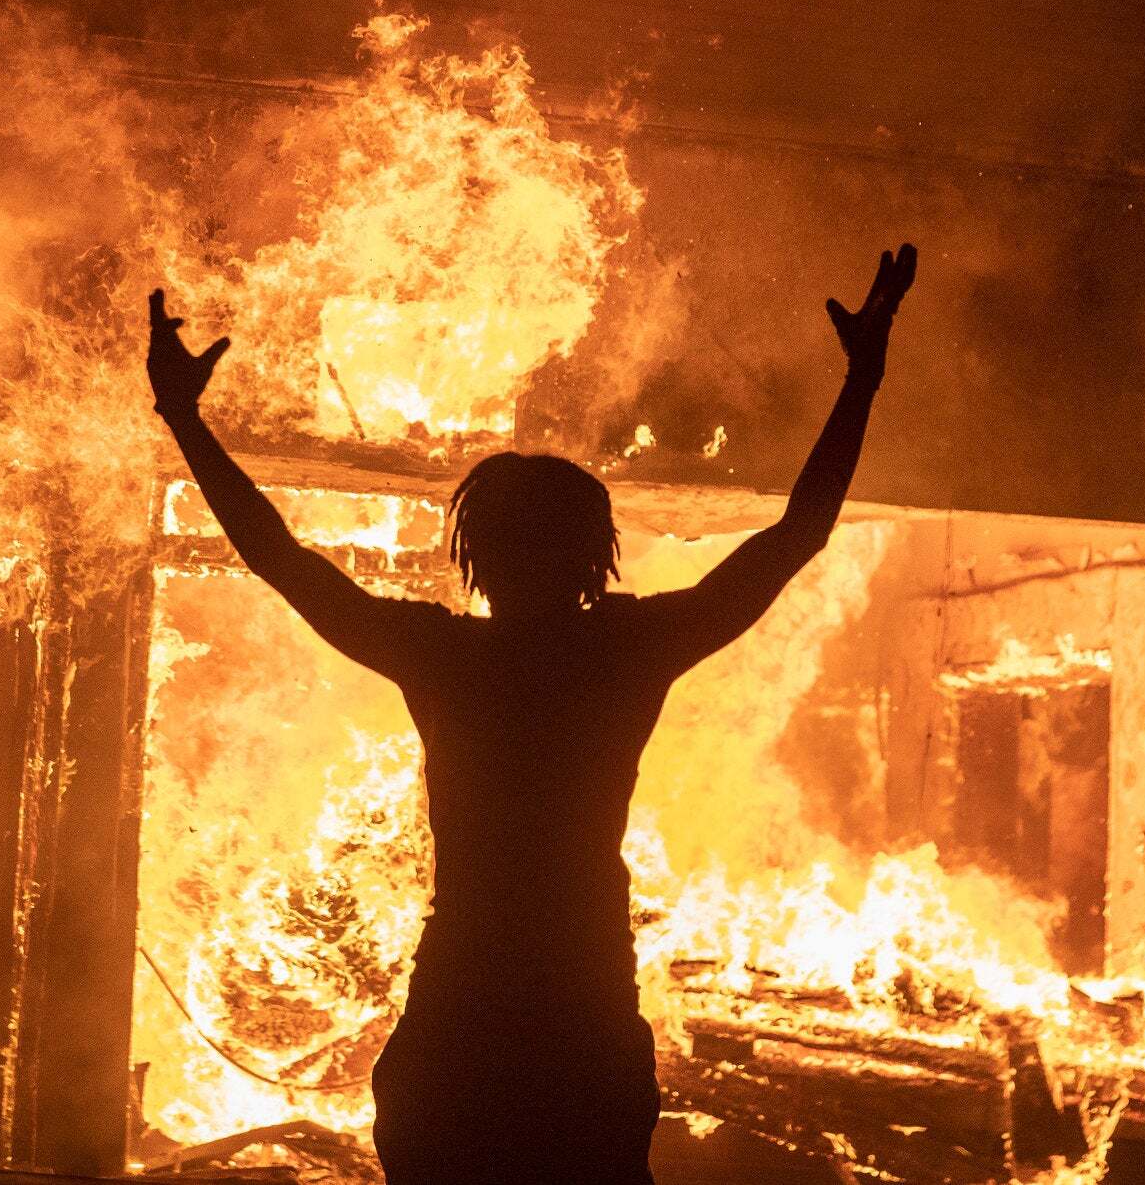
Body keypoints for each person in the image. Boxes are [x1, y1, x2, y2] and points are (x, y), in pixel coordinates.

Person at [144, 244, 916, 1185]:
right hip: (583, 1015)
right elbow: (797, 534)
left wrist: (185, 417)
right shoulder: (627, 650)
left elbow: (278, 555)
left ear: (477, 556)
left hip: (461, 1015)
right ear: (598, 552)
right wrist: (863, 377)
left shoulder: (443, 653)